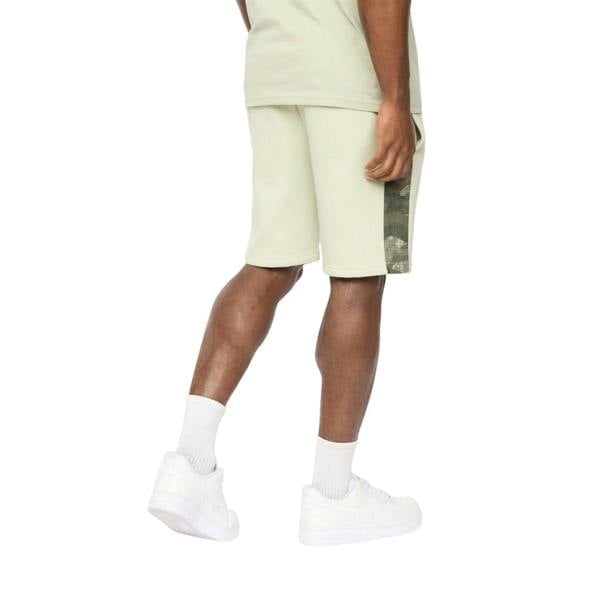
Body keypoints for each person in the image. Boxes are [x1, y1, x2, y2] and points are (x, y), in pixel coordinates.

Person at [148, 0, 425, 546]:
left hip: (274, 68)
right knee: (360, 273)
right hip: (351, 80)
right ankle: (333, 494)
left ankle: (189, 467)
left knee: (270, 262)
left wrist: (285, 37)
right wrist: (394, 98)